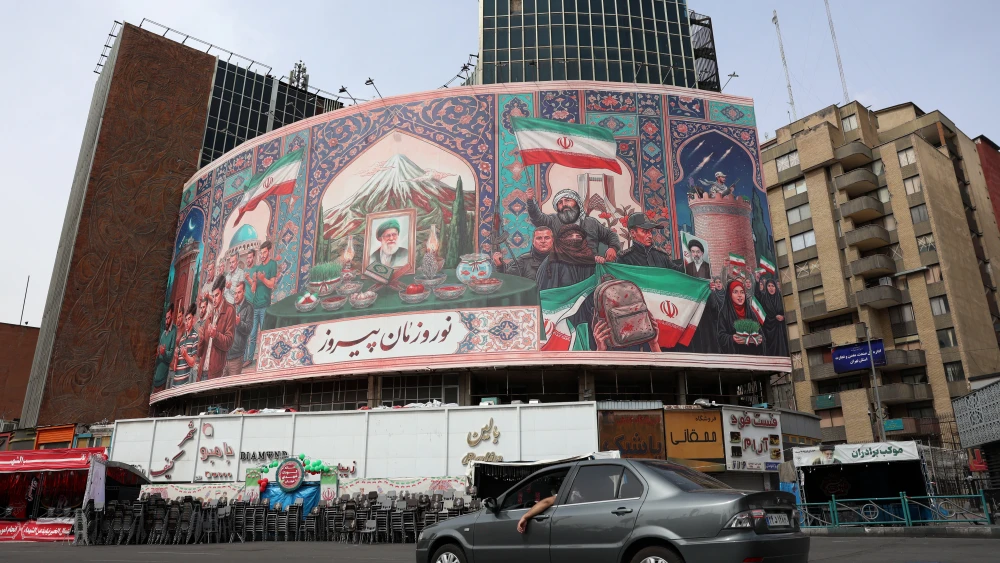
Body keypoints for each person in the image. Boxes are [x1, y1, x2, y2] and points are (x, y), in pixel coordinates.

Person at [526, 187, 620, 263]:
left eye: (567, 200)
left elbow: (610, 235)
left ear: (577, 203)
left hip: (590, 267)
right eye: (560, 203)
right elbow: (538, 218)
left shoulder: (591, 223)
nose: (564, 204)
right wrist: (531, 202)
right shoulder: (553, 220)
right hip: (563, 268)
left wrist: (613, 248)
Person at [535, 225, 598, 291]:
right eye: (570, 236)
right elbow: (546, 292)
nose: (574, 239)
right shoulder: (553, 261)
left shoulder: (589, 259)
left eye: (578, 237)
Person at [245, 241, 278, 367]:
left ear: (269, 252)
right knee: (253, 334)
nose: (262, 255)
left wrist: (263, 279)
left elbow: (271, 284)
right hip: (255, 305)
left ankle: (264, 358)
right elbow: (253, 288)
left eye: (264, 252)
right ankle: (249, 359)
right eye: (261, 253)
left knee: (264, 333)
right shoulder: (258, 268)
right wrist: (252, 280)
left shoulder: (272, 264)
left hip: (265, 305)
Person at [617, 213, 684, 271]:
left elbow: (677, 274)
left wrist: (688, 258)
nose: (650, 236)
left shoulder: (661, 256)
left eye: (650, 231)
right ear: (633, 233)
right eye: (645, 231)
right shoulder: (625, 259)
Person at [202, 274, 237, 380]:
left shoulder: (230, 310)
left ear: (223, 292)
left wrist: (215, 335)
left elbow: (229, 342)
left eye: (216, 295)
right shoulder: (211, 315)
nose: (214, 299)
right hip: (203, 370)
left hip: (216, 372)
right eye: (213, 296)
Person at [716, 278, 764, 355]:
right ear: (730, 294)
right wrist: (732, 338)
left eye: (742, 292)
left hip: (751, 355)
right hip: (734, 357)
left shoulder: (750, 312)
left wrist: (759, 339)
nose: (740, 295)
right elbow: (721, 336)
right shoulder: (724, 313)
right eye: (735, 292)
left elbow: (760, 334)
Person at [226, 281, 254, 377]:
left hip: (237, 357)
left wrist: (239, 323)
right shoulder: (231, 308)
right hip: (225, 356)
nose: (236, 296)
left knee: (232, 385)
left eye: (239, 292)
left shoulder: (249, 307)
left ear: (244, 292)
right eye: (235, 293)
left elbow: (249, 329)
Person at [171, 304, 200, 387]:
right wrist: (176, 357)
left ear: (193, 320)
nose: (187, 322)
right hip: (175, 383)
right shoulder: (182, 339)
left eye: (189, 319)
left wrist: (185, 355)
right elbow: (175, 368)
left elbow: (192, 363)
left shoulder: (195, 336)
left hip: (184, 384)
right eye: (186, 320)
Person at [759, 275, 789, 357]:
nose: (771, 288)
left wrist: (783, 317)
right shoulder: (764, 299)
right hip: (769, 330)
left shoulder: (780, 297)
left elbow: (788, 311)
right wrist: (774, 318)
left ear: (776, 287)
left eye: (773, 286)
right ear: (766, 287)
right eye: (769, 286)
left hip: (782, 329)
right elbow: (763, 315)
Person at [153, 305, 177, 390]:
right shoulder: (163, 334)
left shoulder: (174, 330)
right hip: (156, 377)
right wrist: (157, 353)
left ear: (172, 316)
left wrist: (163, 353)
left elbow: (170, 356)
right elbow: (158, 353)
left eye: (168, 318)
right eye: (166, 319)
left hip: (164, 378)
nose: (166, 321)